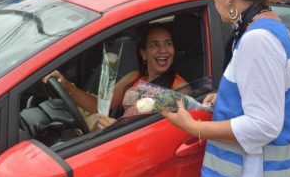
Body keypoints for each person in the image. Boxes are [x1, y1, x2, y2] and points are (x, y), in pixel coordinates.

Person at [162, 0, 290, 177]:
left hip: (249, 172)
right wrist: (229, 96)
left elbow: (265, 125)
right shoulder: (265, 23)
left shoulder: (258, 40)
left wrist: (193, 127)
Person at [43, 23, 189, 128]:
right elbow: (98, 106)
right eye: (155, 45)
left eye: (168, 44)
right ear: (143, 53)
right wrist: (66, 85)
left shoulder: (179, 89)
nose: (163, 50)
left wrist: (118, 129)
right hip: (113, 135)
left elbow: (159, 133)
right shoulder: (134, 77)